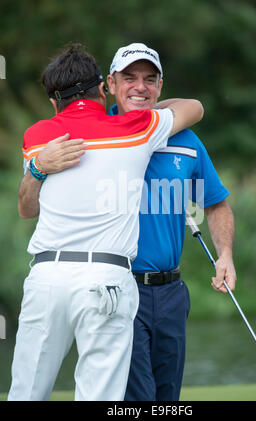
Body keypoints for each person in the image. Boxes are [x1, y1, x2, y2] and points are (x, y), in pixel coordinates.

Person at [17, 43, 235, 401]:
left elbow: (215, 203)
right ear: (109, 86)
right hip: (117, 286)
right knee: (126, 399)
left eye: (150, 80)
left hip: (165, 293)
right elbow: (196, 107)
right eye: (130, 78)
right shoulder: (133, 130)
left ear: (161, 86)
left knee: (165, 399)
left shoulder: (41, 134)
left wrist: (225, 253)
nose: (140, 87)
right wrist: (39, 169)